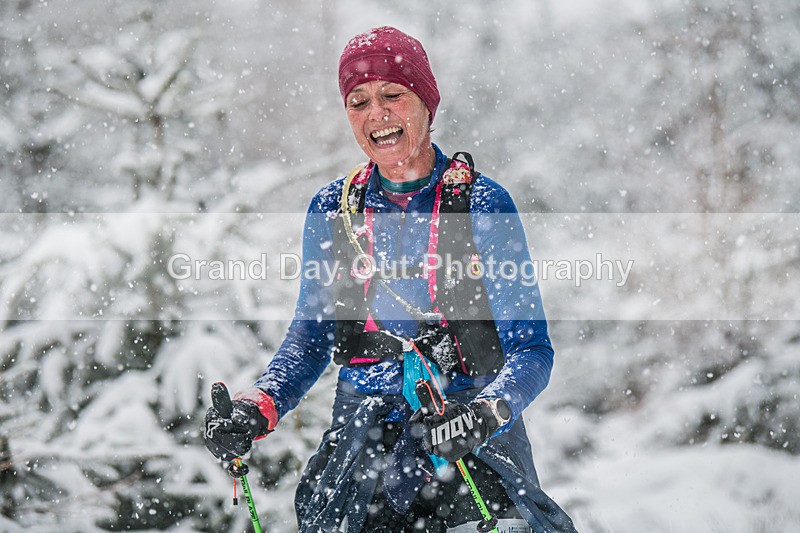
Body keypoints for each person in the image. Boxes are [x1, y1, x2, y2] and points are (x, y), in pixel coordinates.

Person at [204, 26, 577, 533]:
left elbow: (532, 350)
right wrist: (258, 406)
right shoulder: (334, 209)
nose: (375, 113)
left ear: (426, 102)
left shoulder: (482, 205)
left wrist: (486, 414)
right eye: (358, 102)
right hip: (362, 455)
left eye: (392, 95)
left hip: (469, 445)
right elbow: (311, 338)